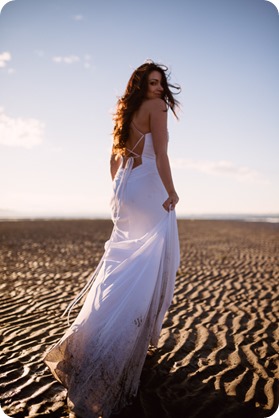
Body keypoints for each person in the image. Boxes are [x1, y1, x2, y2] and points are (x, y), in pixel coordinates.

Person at [43, 60, 181, 418]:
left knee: (121, 264)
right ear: (143, 85)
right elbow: (162, 155)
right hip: (149, 187)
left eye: (159, 83)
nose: (157, 89)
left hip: (125, 188)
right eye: (152, 83)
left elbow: (113, 161)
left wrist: (124, 188)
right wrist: (172, 191)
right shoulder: (157, 108)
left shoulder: (127, 112)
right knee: (146, 267)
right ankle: (119, 347)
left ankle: (89, 341)